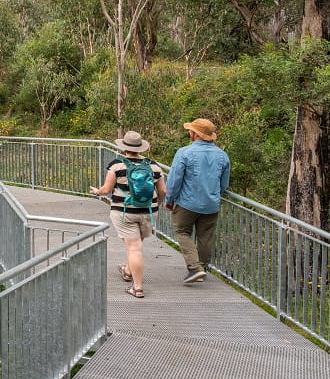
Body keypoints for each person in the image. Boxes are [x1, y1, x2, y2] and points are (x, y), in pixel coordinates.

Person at [90, 130, 165, 299]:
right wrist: (156, 205)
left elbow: (106, 190)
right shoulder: (153, 165)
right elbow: (163, 190)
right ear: (140, 148)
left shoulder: (116, 165)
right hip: (149, 211)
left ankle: (137, 288)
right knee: (136, 245)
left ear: (124, 147)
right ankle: (128, 270)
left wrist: (97, 192)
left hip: (124, 211)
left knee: (133, 247)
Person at [164, 118, 230, 284]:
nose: (189, 132)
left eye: (191, 130)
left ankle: (194, 268)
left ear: (195, 134)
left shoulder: (184, 153)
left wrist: (169, 199)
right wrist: (213, 195)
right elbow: (224, 184)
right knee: (205, 236)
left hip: (187, 203)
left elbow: (174, 180)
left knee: (181, 231)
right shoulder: (222, 155)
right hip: (211, 204)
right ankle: (203, 267)